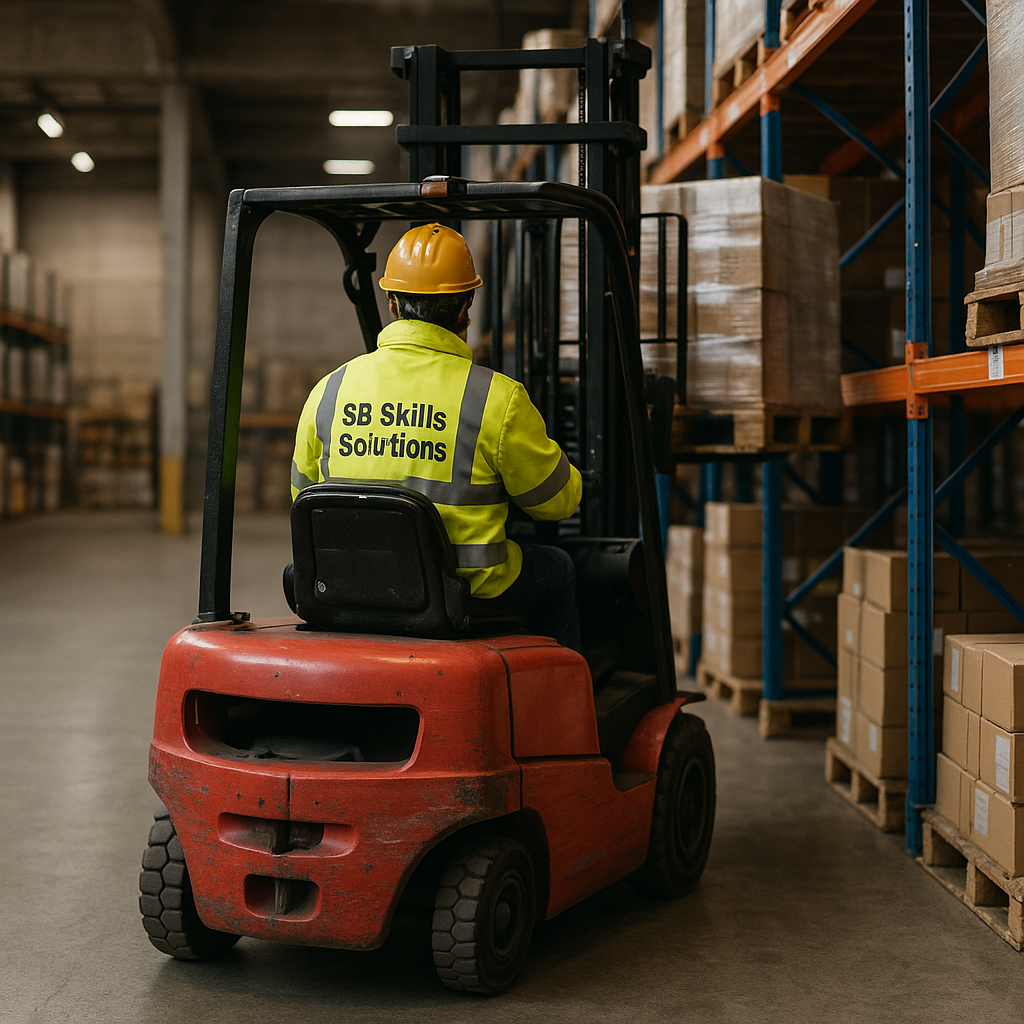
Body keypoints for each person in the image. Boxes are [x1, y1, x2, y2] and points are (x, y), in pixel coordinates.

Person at [291, 222, 583, 651]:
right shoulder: (496, 399)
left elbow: (301, 497)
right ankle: (565, 711)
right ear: (466, 306)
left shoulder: (329, 390)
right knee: (559, 568)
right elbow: (556, 503)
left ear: (391, 302)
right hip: (461, 594)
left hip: (346, 588)